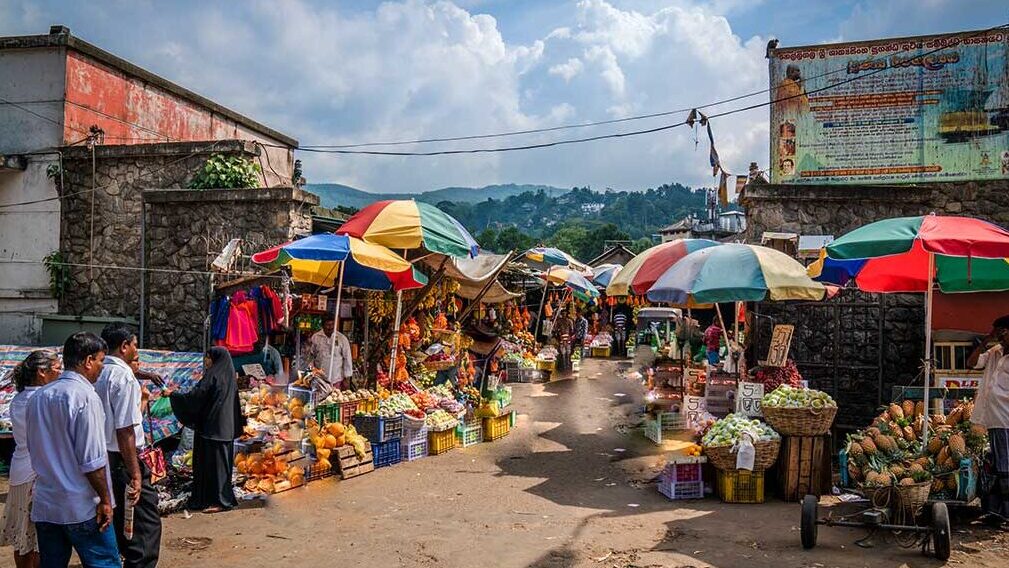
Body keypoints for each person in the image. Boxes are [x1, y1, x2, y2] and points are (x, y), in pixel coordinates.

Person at [27, 332, 119, 568]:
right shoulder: (85, 397)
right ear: (88, 361)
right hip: (82, 505)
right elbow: (92, 460)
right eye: (100, 360)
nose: (101, 367)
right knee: (105, 563)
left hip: (48, 504)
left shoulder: (39, 397)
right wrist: (106, 500)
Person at [96, 325, 161, 568]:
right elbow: (125, 431)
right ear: (124, 346)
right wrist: (135, 473)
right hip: (124, 457)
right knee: (145, 524)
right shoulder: (122, 377)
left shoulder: (98, 372)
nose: (136, 350)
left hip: (105, 457)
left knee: (121, 515)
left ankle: (124, 555)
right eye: (134, 344)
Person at [1, 350, 61, 568]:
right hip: (36, 475)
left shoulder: (20, 398)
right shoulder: (43, 399)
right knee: (36, 541)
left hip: (20, 472)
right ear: (42, 373)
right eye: (56, 368)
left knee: (22, 540)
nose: (60, 372)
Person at [167, 347, 244, 513]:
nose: (206, 361)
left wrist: (174, 395)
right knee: (221, 467)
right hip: (224, 429)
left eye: (208, 358)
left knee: (215, 468)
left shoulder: (213, 375)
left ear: (214, 359)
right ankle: (216, 499)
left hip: (213, 429)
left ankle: (220, 502)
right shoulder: (228, 376)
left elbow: (197, 396)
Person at [967, 315, 1009, 525]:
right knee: (998, 465)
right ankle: (997, 509)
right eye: (998, 333)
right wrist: (986, 340)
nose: (1000, 336)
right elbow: (971, 363)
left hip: (1005, 418)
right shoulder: (994, 352)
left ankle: (1005, 512)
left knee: (1005, 467)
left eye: (1003, 332)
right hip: (992, 418)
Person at [305, 315, 352, 388]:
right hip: (319, 380)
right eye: (328, 325)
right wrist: (310, 372)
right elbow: (310, 356)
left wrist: (347, 377)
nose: (330, 327)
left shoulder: (342, 339)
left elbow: (347, 358)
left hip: (336, 379)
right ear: (323, 325)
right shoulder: (316, 338)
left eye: (332, 324)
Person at [552, 309, 575, 373]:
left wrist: (569, 338)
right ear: (561, 314)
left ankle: (567, 365)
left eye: (565, 313)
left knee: (568, 352)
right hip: (561, 339)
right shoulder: (559, 322)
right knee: (563, 353)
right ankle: (564, 365)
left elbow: (572, 331)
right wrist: (559, 337)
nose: (564, 315)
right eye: (563, 314)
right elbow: (556, 331)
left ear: (566, 314)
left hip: (568, 339)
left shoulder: (570, 321)